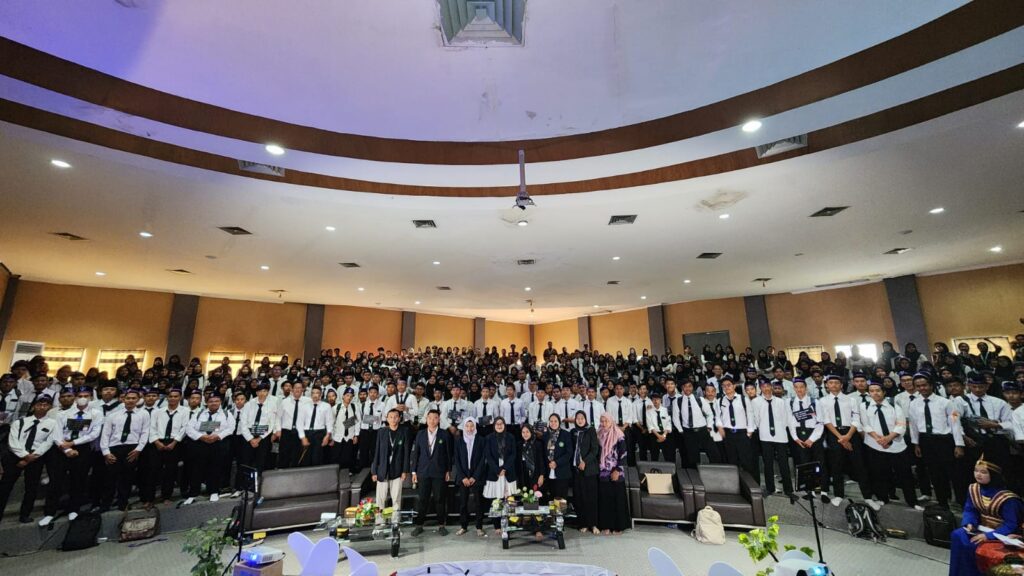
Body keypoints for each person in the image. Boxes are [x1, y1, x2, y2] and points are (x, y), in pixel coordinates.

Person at [949, 458, 1023, 576]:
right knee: (957, 535)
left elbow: (1011, 524)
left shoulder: (1008, 498)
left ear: (993, 475)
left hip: (999, 533)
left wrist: (988, 536)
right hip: (979, 527)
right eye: (976, 470)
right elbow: (970, 509)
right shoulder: (973, 489)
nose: (978, 474)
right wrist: (969, 523)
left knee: (973, 545)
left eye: (983, 472)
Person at [44, 386, 103, 525]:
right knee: (56, 481)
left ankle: (74, 509)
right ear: (75, 398)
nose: (83, 398)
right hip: (62, 448)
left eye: (86, 396)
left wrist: (74, 443)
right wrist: (66, 449)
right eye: (80, 396)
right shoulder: (63, 414)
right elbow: (57, 434)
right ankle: (50, 512)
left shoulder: (96, 414)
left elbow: (94, 433)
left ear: (91, 398)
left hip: (82, 448)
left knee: (78, 480)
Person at [861, 382, 920, 511]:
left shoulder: (893, 405)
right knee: (879, 473)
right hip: (875, 445)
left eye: (878, 390)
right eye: (872, 391)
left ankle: (912, 501)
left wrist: (888, 438)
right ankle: (883, 497)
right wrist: (878, 439)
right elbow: (866, 425)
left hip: (896, 445)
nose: (875, 393)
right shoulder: (864, 406)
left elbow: (901, 425)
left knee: (905, 474)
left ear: (884, 392)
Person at [908, 374, 964, 510]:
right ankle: (942, 502)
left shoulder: (945, 402)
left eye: (924, 385)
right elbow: (913, 425)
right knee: (935, 473)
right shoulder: (914, 403)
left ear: (931, 385)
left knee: (954, 473)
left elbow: (955, 423)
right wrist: (916, 443)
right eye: (918, 386)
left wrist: (958, 444)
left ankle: (961, 502)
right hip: (926, 440)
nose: (922, 388)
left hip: (944, 440)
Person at [0, 394, 56, 523]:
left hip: (36, 457)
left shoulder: (52, 424)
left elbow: (48, 442)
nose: (42, 407)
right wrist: (24, 455)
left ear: (49, 407)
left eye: (45, 405)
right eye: (39, 404)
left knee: (31, 487)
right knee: (5, 487)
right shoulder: (20, 422)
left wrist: (32, 456)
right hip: (16, 456)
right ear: (33, 406)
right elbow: (13, 441)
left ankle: (25, 514)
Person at [819, 374, 870, 506]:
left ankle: (867, 496)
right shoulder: (822, 401)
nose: (834, 385)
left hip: (851, 432)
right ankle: (838, 494)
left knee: (859, 465)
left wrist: (847, 436)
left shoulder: (851, 400)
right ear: (827, 385)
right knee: (836, 465)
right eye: (831, 383)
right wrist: (840, 437)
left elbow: (856, 419)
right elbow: (826, 420)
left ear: (841, 385)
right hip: (834, 433)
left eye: (837, 383)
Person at [183, 392, 234, 504]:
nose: (213, 403)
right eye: (211, 401)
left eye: (216, 401)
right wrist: (201, 436)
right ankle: (193, 493)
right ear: (206, 403)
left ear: (220, 402)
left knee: (215, 468)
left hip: (218, 443)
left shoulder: (227, 414)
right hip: (201, 443)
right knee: (196, 469)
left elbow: (231, 428)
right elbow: (189, 428)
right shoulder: (199, 413)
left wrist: (218, 436)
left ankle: (214, 491)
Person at [410, 409, 453, 536]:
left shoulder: (444, 434)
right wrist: (413, 472)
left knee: (440, 499)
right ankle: (419, 525)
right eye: (430, 418)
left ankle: (441, 525)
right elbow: (415, 454)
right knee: (423, 499)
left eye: (435, 418)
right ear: (426, 419)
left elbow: (449, 454)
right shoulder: (420, 434)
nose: (432, 420)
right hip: (423, 472)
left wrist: (448, 470)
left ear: (439, 419)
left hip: (439, 472)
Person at [751, 380, 794, 496]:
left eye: (768, 386)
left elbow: (786, 418)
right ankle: (770, 488)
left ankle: (788, 490)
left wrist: (780, 428)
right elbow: (756, 418)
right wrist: (764, 428)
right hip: (765, 436)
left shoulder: (781, 401)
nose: (766, 388)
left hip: (781, 435)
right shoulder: (755, 401)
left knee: (784, 463)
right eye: (763, 386)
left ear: (771, 387)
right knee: (768, 463)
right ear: (760, 388)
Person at [237, 382, 277, 492]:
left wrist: (259, 438)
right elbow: (243, 422)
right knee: (246, 461)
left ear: (268, 392)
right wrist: (250, 439)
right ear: (256, 392)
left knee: (261, 462)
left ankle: (258, 487)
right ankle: (243, 487)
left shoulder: (271, 405)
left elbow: (271, 424)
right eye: (260, 391)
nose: (262, 393)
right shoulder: (249, 404)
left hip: (263, 437)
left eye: (265, 391)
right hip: (248, 436)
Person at [150, 387, 187, 503]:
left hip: (174, 443)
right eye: (170, 396)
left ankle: (166, 496)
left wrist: (174, 442)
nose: (173, 398)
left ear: (180, 398)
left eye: (175, 396)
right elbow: (152, 427)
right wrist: (157, 442)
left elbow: (184, 428)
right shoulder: (157, 411)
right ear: (167, 398)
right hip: (158, 442)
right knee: (153, 470)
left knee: (170, 471)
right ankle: (149, 497)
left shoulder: (185, 411)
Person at [596, 412, 629, 535]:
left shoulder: (619, 434)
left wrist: (617, 470)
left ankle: (618, 526)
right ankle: (606, 525)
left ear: (611, 422)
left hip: (616, 471)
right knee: (605, 499)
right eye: (602, 421)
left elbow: (623, 454)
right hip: (603, 472)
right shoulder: (599, 434)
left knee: (617, 499)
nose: (604, 423)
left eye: (606, 421)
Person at [483, 417, 517, 533]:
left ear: (504, 425)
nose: (499, 426)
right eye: (497, 424)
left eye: (501, 423)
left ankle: (510, 523)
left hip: (508, 471)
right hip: (494, 472)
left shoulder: (511, 437)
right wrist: (498, 470)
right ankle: (497, 526)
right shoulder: (489, 438)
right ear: (494, 426)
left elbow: (513, 454)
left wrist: (505, 468)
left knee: (509, 499)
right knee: (496, 500)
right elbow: (488, 456)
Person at [453, 416, 486, 535]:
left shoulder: (481, 440)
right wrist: (463, 477)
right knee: (463, 503)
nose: (470, 428)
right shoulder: (459, 440)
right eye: (467, 426)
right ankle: (463, 526)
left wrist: (475, 477)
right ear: (464, 427)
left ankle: (479, 527)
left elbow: (483, 460)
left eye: (472, 426)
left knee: (478, 503)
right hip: (463, 477)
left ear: (475, 427)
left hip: (477, 476)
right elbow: (456, 460)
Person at [371, 408, 409, 509]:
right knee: (380, 499)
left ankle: (396, 518)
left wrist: (405, 470)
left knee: (396, 498)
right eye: (391, 417)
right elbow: (377, 452)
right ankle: (379, 519)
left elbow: (406, 453)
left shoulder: (404, 431)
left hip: (397, 469)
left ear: (399, 418)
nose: (393, 419)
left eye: (395, 417)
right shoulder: (382, 432)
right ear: (387, 419)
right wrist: (374, 471)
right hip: (382, 469)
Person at [571, 410, 600, 534]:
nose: (580, 420)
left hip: (589, 470)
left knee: (591, 498)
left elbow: (595, 449)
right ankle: (583, 523)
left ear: (586, 419)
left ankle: (593, 524)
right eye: (578, 418)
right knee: (580, 498)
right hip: (577, 470)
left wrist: (585, 462)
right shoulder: (573, 432)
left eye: (582, 418)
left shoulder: (591, 430)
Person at [332, 387, 361, 473]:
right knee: (336, 457)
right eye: (347, 395)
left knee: (348, 457)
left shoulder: (354, 407)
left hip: (350, 437)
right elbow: (331, 423)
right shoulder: (336, 408)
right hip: (338, 437)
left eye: (351, 396)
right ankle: (336, 473)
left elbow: (358, 422)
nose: (349, 397)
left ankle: (347, 473)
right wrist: (332, 437)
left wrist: (356, 435)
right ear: (343, 396)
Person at [517, 420, 545, 492]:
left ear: (531, 432)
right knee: (524, 495)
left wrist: (542, 475)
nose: (525, 434)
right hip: (523, 474)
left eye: (527, 432)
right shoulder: (519, 444)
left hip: (535, 474)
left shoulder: (537, 444)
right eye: (523, 432)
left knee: (535, 496)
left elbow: (541, 461)